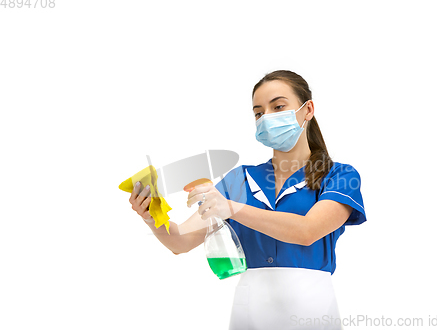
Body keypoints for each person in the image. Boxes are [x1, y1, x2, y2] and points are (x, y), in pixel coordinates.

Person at [129, 70, 367, 330]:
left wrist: (232, 208)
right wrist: (152, 216)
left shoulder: (340, 176)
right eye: (258, 112)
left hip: (312, 310)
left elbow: (308, 231)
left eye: (278, 106)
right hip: (251, 311)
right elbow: (181, 241)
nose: (266, 117)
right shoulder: (239, 180)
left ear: (307, 109)